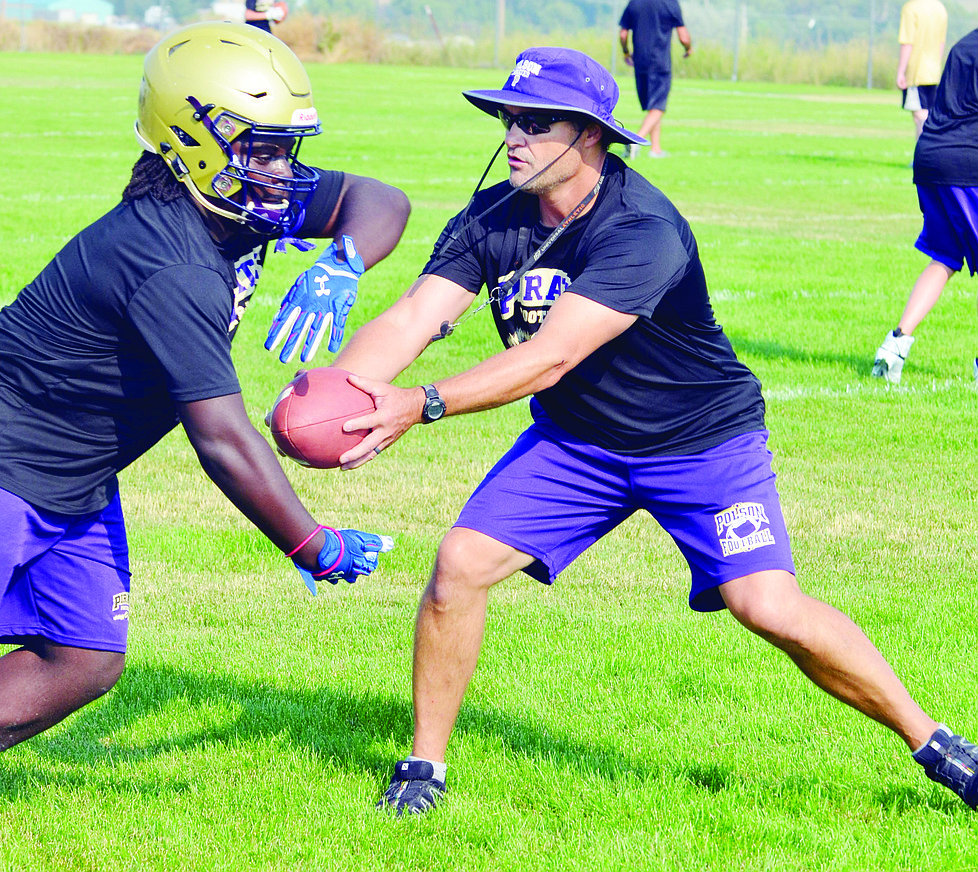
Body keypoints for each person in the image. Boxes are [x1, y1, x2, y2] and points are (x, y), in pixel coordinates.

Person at [324, 46, 978, 816]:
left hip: (701, 443)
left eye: (537, 123)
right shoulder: (491, 217)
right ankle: (423, 768)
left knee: (768, 607)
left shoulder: (643, 228)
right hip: (579, 446)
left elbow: (549, 357)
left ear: (592, 136)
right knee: (459, 565)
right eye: (508, 119)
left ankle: (937, 746)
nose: (514, 137)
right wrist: (346, 394)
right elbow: (410, 319)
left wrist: (422, 404)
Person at [0, 22, 406, 830]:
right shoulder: (173, 261)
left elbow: (378, 200)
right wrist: (311, 542)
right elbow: (224, 442)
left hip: (71, 468)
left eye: (286, 148)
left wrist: (344, 260)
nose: (282, 172)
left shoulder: (233, 200)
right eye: (261, 149)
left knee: (84, 653)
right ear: (194, 145)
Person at [873, 28, 978, 384]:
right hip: (966, 164)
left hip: (930, 156)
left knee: (945, 257)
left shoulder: (966, 43)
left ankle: (895, 345)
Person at [618, 0, 691, 158]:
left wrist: (625, 52)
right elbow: (683, 37)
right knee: (658, 105)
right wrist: (688, 48)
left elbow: (623, 34)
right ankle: (635, 141)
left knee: (652, 107)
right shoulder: (670, 3)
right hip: (659, 62)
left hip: (640, 62)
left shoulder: (634, 3)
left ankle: (656, 149)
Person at [896, 0, 948, 143]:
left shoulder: (911, 8)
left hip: (917, 71)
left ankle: (923, 157)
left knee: (921, 116)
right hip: (934, 71)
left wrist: (901, 71)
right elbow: (941, 42)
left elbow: (908, 42)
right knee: (925, 114)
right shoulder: (940, 8)